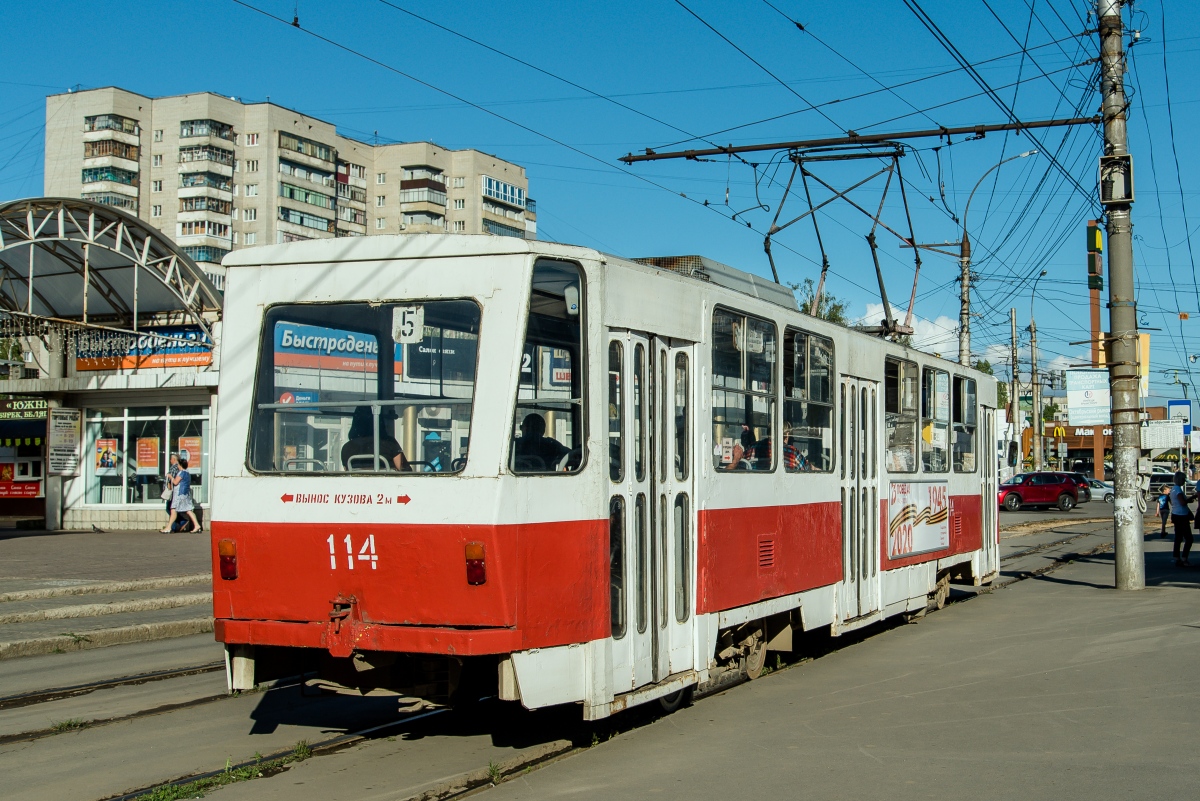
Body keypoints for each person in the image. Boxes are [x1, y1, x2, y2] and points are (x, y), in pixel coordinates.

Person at [341, 406, 410, 471]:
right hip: (386, 482)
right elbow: (401, 468)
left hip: (358, 483)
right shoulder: (390, 442)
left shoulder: (346, 447)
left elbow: (346, 470)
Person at [161, 454, 201, 533]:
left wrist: (170, 477)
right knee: (188, 510)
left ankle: (168, 528)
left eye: (178, 464)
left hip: (180, 495)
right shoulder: (187, 473)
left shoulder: (182, 473)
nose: (177, 466)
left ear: (181, 465)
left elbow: (175, 482)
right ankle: (197, 525)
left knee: (173, 510)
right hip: (185, 495)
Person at [1168, 471, 1192, 567]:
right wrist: (1191, 498)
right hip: (1181, 515)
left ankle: (1176, 557)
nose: (1184, 481)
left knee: (1178, 537)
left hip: (1176, 514)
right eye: (1183, 479)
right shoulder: (1178, 490)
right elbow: (1182, 502)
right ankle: (1184, 558)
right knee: (1189, 538)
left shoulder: (1173, 489)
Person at [164, 453, 180, 525]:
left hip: (172, 491)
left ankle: (178, 523)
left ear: (174, 459)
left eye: (171, 459)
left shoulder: (174, 468)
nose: (170, 461)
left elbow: (171, 479)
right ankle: (178, 523)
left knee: (170, 509)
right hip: (175, 491)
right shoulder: (178, 467)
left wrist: (169, 487)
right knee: (172, 509)